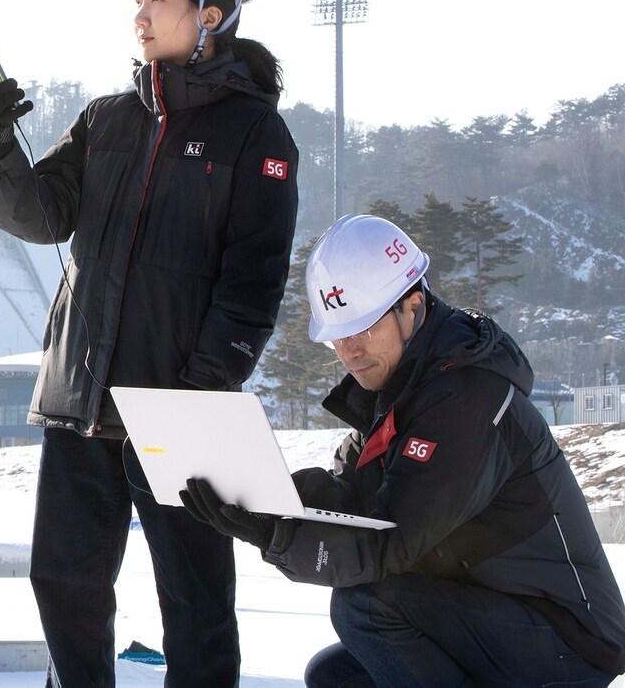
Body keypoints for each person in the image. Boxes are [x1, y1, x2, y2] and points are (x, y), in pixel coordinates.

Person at [0, 0, 299, 687]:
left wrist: (201, 385)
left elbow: (253, 280)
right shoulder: (105, 119)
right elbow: (41, 218)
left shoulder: (257, 133)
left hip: (184, 407)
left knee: (196, 608)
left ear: (211, 11)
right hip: (80, 402)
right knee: (64, 585)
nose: (141, 15)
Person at [181, 214, 625, 687]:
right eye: (337, 336)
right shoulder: (398, 391)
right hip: (489, 611)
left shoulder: (467, 397)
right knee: (336, 677)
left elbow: (392, 537)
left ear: (412, 306)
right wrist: (269, 503)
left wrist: (279, 537)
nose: (349, 350)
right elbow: (354, 502)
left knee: (366, 608)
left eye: (362, 328)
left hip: (567, 638)